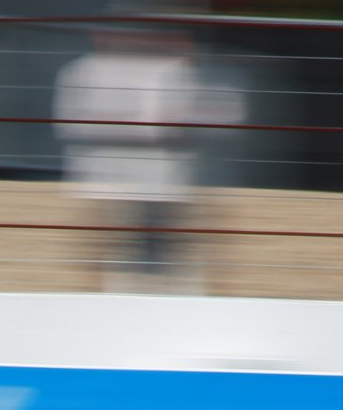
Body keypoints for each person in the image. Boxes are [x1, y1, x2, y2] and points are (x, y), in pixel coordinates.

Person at [52, 24, 239, 292]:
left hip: (159, 179)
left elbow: (171, 122)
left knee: (160, 248)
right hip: (114, 177)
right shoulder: (82, 70)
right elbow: (75, 123)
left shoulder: (168, 70)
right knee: (113, 246)